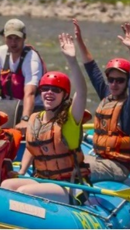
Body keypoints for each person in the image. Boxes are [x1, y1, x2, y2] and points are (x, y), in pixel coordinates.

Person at [1, 32, 90, 204]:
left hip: (69, 185)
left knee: (24, 191)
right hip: (42, 180)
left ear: (64, 96)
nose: (49, 93)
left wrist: (72, 60)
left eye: (56, 90)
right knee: (7, 185)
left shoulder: (70, 118)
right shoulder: (35, 118)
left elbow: (83, 92)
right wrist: (22, 171)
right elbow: (31, 147)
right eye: (45, 89)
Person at [73, 19, 130, 182]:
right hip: (102, 160)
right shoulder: (107, 94)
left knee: (77, 169)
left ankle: (77, 203)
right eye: (111, 79)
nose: (114, 84)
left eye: (120, 80)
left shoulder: (127, 106)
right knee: (65, 163)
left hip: (121, 168)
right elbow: (91, 68)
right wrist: (80, 42)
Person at [0, 18, 46, 131]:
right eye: (9, 38)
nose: (13, 43)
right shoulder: (1, 52)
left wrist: (25, 119)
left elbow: (30, 92)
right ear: (4, 37)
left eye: (17, 38)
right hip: (7, 103)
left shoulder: (31, 59)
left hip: (32, 106)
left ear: (24, 38)